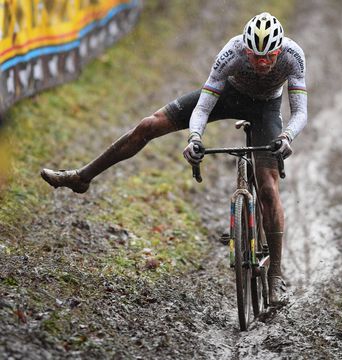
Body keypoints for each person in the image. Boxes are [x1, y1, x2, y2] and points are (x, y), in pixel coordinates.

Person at [40, 12, 307, 305]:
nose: (261, 63)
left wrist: (286, 137)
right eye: (254, 56)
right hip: (228, 95)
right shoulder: (232, 53)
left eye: (267, 57)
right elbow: (204, 107)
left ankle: (275, 277)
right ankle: (82, 178)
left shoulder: (293, 57)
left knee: (268, 189)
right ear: (245, 48)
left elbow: (299, 112)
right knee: (148, 125)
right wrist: (194, 137)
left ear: (278, 50)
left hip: (266, 109)